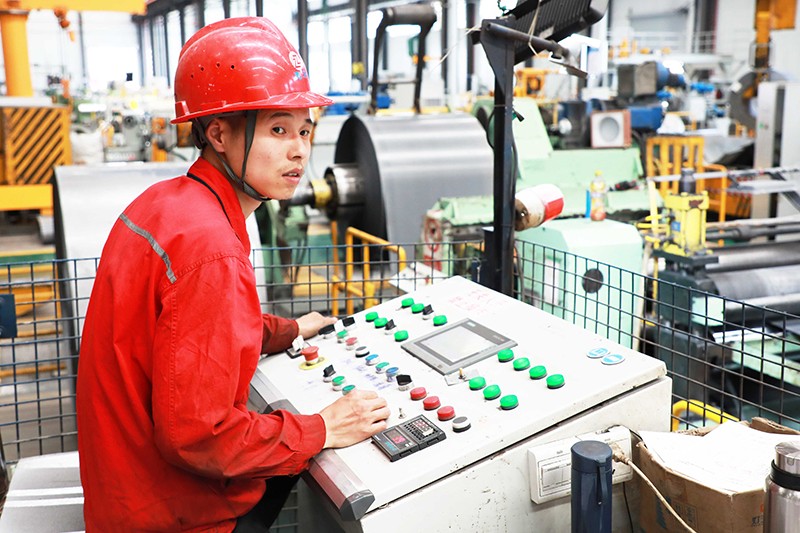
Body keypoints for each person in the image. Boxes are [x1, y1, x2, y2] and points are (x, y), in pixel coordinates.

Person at [76, 17, 390, 532]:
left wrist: (288, 329)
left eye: (305, 130)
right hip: (175, 517)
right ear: (219, 134)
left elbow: (185, 330)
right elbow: (199, 437)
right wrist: (323, 427)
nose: (299, 150)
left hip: (126, 495)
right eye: (278, 130)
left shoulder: (169, 204)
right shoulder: (211, 249)